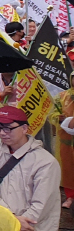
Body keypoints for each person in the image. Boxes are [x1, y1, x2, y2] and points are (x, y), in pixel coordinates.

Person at [0, 106, 61, 231]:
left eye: (8, 128)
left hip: (33, 226)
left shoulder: (45, 161)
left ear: (24, 128)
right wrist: (10, 218)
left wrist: (19, 223)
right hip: (1, 223)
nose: (2, 133)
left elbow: (42, 204)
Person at [57, 73, 74, 209]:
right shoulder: (62, 96)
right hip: (66, 140)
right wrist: (58, 118)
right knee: (68, 167)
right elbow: (52, 113)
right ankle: (70, 197)